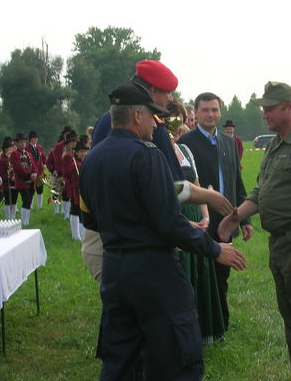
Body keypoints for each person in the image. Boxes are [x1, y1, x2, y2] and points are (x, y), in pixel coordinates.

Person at [79, 82, 247, 380]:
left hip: (115, 268)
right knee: (176, 358)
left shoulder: (92, 158)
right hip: (154, 270)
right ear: (136, 117)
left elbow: (90, 219)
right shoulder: (147, 155)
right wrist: (214, 249)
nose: (156, 123)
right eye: (153, 116)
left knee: (120, 358)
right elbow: (169, 222)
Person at [218, 81, 291, 381]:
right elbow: (261, 190)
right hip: (281, 243)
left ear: (290, 108)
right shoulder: (277, 143)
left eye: (270, 108)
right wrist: (235, 216)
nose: (264, 114)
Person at [84, 60, 233, 284]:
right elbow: (173, 188)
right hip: (144, 245)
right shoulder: (153, 128)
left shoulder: (107, 120)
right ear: (152, 91)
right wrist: (210, 197)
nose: (170, 100)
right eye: (168, 93)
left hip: (105, 234)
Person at [178, 92, 253, 332]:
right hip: (198, 218)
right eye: (205, 110)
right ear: (196, 113)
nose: (211, 115)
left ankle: (221, 322)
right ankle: (201, 322)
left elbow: (237, 182)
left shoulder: (230, 142)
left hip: (226, 220)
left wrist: (244, 218)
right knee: (200, 272)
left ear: (220, 112)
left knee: (222, 272)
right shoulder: (186, 143)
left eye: (215, 110)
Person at [168, 100, 225, 345]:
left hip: (195, 217)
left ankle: (203, 332)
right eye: (171, 120)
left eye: (179, 120)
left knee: (200, 273)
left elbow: (198, 186)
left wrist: (206, 216)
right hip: (175, 217)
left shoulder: (185, 151)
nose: (176, 125)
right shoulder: (155, 150)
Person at [11, 133, 38, 227]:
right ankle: (23, 222)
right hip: (22, 182)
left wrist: (35, 173)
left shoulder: (28, 153)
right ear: (17, 143)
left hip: (31, 181)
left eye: (24, 142)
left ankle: (27, 221)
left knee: (29, 201)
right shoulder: (15, 154)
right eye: (21, 142)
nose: (23, 144)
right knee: (26, 200)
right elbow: (18, 168)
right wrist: (30, 175)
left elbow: (34, 165)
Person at [63, 140, 88, 241]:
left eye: (84, 151)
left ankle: (80, 235)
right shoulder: (75, 164)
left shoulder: (84, 162)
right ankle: (76, 235)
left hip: (83, 191)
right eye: (80, 151)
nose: (83, 153)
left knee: (81, 213)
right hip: (77, 191)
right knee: (75, 211)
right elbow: (73, 179)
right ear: (76, 153)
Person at [0, 137, 18, 219]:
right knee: (8, 201)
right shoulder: (2, 159)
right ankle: (8, 218)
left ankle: (13, 217)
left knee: (14, 201)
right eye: (11, 147)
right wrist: (9, 178)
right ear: (6, 149)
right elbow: (2, 173)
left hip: (15, 182)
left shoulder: (13, 158)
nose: (13, 148)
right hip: (7, 183)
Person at [27, 131, 47, 210]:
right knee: (31, 189)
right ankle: (30, 206)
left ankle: (40, 206)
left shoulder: (40, 147)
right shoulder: (27, 148)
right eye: (34, 138)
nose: (36, 139)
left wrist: (44, 163)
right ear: (30, 139)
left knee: (40, 189)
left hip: (40, 171)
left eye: (36, 138)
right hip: (31, 172)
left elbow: (44, 157)